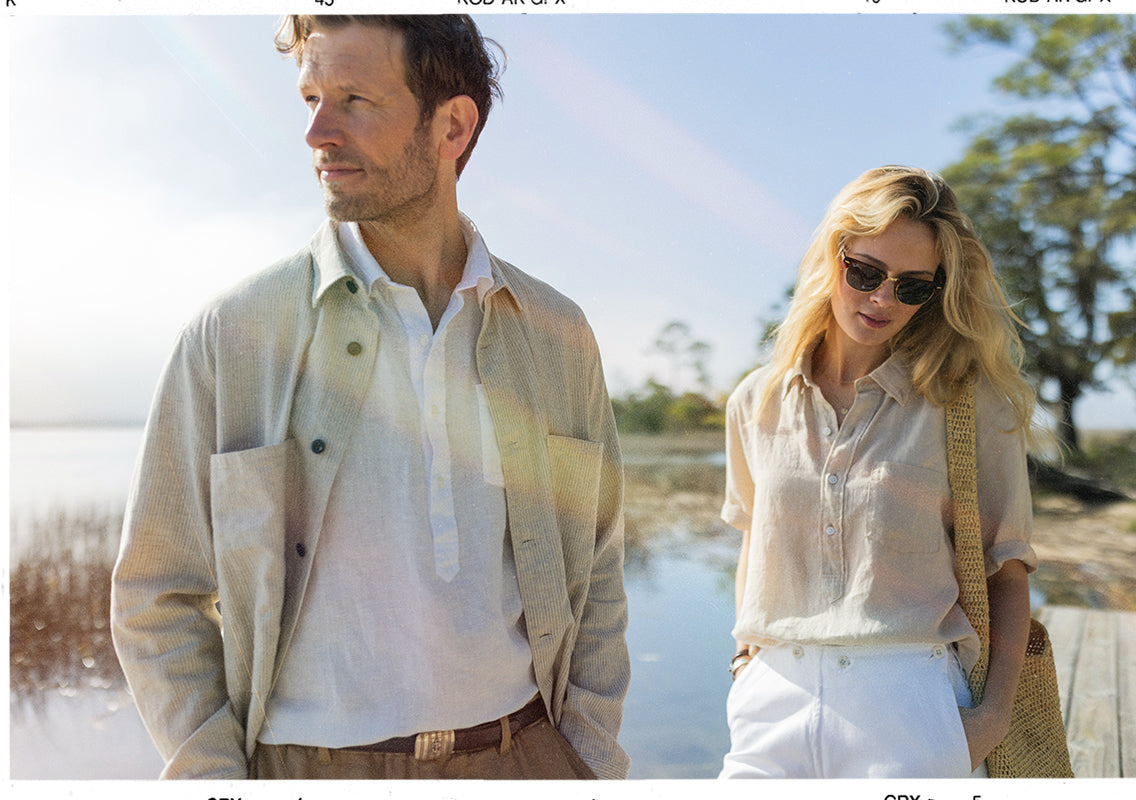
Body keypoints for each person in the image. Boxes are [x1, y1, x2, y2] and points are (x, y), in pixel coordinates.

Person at [110, 14, 629, 781]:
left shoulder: (557, 333)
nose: (318, 132)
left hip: (524, 762)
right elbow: (156, 593)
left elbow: (599, 575)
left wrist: (584, 761)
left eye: (355, 99)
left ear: (452, 126)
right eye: (310, 98)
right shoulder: (235, 332)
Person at [718, 166, 1037, 779]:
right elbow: (753, 542)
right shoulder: (754, 402)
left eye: (912, 286)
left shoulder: (968, 407)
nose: (883, 299)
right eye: (864, 273)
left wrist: (991, 717)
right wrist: (743, 665)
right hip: (771, 701)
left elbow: (1008, 569)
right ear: (828, 258)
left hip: (909, 706)